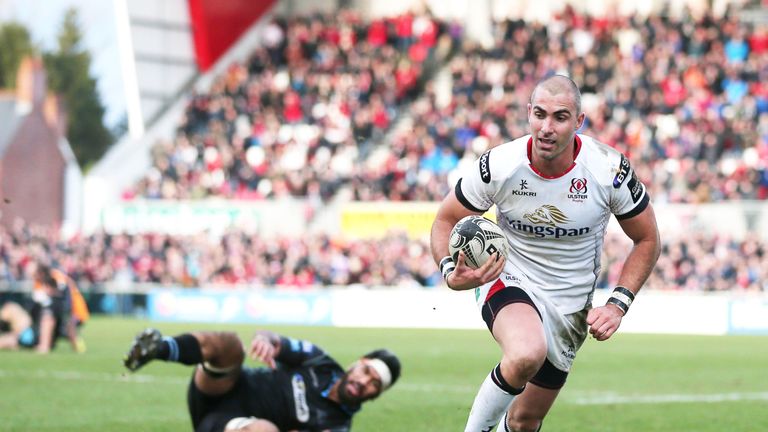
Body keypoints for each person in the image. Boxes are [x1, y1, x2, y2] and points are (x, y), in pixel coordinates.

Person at [430, 74, 660, 432]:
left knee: (525, 422)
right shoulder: (500, 164)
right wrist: (449, 269)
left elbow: (647, 239)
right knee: (525, 353)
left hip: (570, 307)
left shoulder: (609, 170)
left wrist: (617, 304)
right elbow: (446, 218)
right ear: (528, 113)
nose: (546, 127)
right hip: (509, 277)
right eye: (539, 114)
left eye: (560, 117)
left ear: (579, 122)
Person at [123, 327, 401, 431]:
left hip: (228, 425)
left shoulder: (337, 426)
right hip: (220, 387)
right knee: (230, 344)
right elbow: (272, 337)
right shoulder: (320, 362)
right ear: (358, 364)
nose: (365, 382)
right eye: (367, 372)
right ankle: (155, 348)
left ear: (373, 396)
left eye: (374, 384)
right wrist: (265, 341)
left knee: (265, 430)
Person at [32, 263, 89, 353]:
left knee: (67, 326)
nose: (34, 277)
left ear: (41, 273)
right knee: (51, 319)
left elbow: (65, 296)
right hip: (61, 310)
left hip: (73, 311)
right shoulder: (40, 282)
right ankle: (46, 345)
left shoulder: (57, 277)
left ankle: (77, 346)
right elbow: (38, 297)